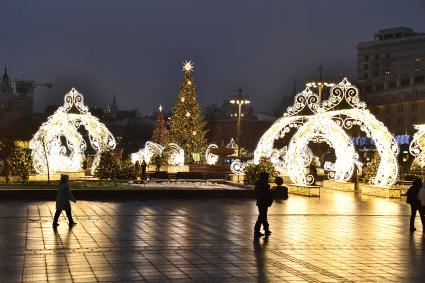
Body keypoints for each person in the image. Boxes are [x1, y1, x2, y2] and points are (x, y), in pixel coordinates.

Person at [254, 171, 273, 238]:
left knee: (263, 216)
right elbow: (266, 194)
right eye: (267, 177)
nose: (267, 178)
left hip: (262, 202)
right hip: (263, 202)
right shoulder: (263, 185)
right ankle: (257, 230)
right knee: (262, 216)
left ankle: (265, 229)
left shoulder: (260, 184)